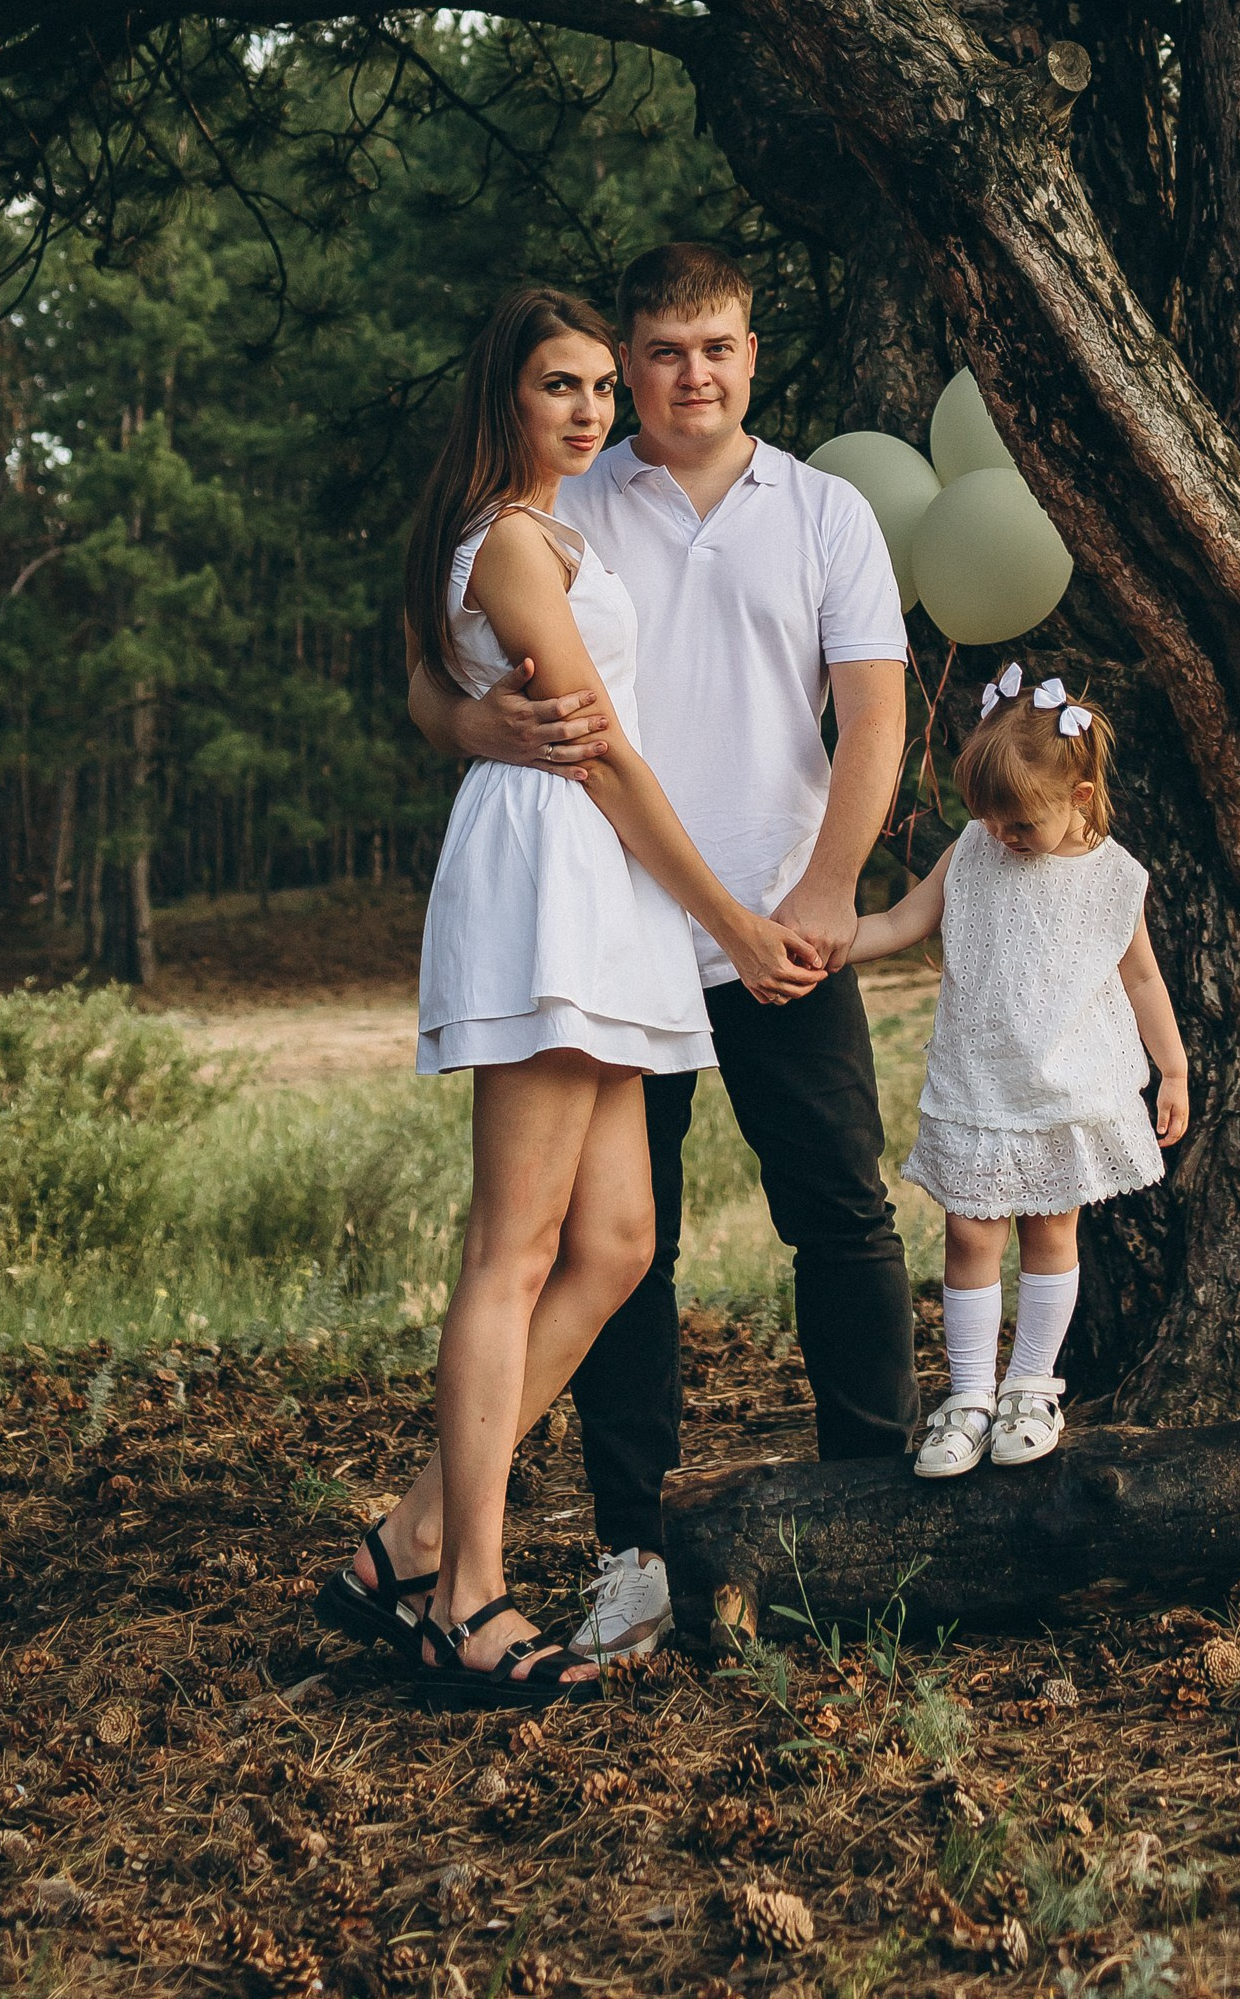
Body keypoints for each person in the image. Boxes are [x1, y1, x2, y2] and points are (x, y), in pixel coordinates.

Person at [406, 239, 916, 1673]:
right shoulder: (569, 491)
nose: (693, 374)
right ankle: (632, 1551)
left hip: (781, 927)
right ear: (628, 365)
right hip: (617, 928)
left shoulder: (824, 512)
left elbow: (873, 715)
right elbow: (438, 667)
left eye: (720, 347)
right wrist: (471, 725)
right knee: (628, 1254)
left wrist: (824, 894)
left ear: (753, 355)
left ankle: (876, 1514)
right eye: (664, 352)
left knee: (844, 1217)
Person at [322, 286, 824, 1705]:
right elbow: (597, 751)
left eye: (603, 384)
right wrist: (730, 918)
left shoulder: (550, 530)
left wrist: (459, 713)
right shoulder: (507, 539)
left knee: (614, 1243)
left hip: (607, 888)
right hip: (554, 871)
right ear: (508, 395)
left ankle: (408, 1539)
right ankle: (464, 1597)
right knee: (516, 1244)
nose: (593, 408)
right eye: (563, 384)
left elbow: (439, 684)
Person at [845, 664, 1188, 1478]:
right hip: (980, 1080)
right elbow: (900, 920)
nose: (1002, 835)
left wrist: (1171, 1069)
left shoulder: (1112, 877)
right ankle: (969, 1396)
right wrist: (828, 944)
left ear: (1079, 796)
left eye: (1019, 822)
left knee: (1052, 1231)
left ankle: (1031, 1387)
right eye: (989, 820)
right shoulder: (973, 850)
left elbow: (1142, 977)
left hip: (1066, 1084)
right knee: (969, 1233)